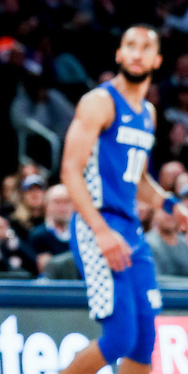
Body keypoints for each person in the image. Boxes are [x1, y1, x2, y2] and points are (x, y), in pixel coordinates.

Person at [60, 25, 188, 374]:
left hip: (130, 228)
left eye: (146, 47)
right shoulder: (99, 102)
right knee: (119, 337)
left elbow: (139, 178)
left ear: (157, 60)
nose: (137, 53)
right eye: (130, 45)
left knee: (145, 343)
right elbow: (70, 170)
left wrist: (171, 206)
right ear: (118, 54)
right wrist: (101, 231)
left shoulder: (148, 112)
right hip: (97, 223)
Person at [28, 184, 73, 272]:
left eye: (67, 202)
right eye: (57, 202)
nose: (62, 207)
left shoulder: (80, 235)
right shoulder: (37, 236)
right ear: (47, 205)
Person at [145, 208, 188, 277]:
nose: (169, 215)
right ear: (155, 215)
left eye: (172, 210)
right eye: (164, 210)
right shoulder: (148, 243)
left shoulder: (184, 244)